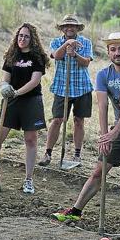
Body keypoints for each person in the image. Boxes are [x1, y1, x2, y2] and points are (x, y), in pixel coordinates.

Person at [51, 32, 120, 228]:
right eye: (113, 49)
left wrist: (114, 133)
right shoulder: (103, 75)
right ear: (109, 53)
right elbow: (102, 106)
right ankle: (76, 211)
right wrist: (105, 137)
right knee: (99, 171)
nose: (117, 53)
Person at [0, 22, 50, 194]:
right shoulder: (12, 55)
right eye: (20, 35)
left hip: (31, 101)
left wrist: (16, 92)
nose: (22, 39)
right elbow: (5, 78)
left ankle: (28, 179)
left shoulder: (37, 58)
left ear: (32, 39)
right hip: (10, 101)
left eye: (26, 36)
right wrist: (3, 86)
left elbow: (35, 81)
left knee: (30, 140)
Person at [38, 15, 93, 166]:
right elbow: (56, 55)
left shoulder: (86, 42)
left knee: (78, 121)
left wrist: (75, 54)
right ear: (62, 28)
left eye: (72, 26)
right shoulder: (55, 42)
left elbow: (86, 62)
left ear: (77, 28)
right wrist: (67, 44)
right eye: (66, 26)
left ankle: (77, 155)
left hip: (82, 87)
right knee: (57, 120)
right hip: (62, 87)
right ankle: (48, 153)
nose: (69, 28)